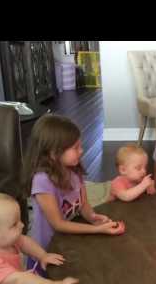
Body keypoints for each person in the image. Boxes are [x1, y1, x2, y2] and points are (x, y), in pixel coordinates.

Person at [22, 115, 125, 275]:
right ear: (54, 153)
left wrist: (93, 218)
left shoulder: (74, 169)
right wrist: (97, 230)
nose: (82, 151)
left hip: (68, 241)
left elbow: (83, 204)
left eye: (80, 146)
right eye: (75, 148)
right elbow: (58, 224)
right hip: (45, 250)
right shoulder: (42, 181)